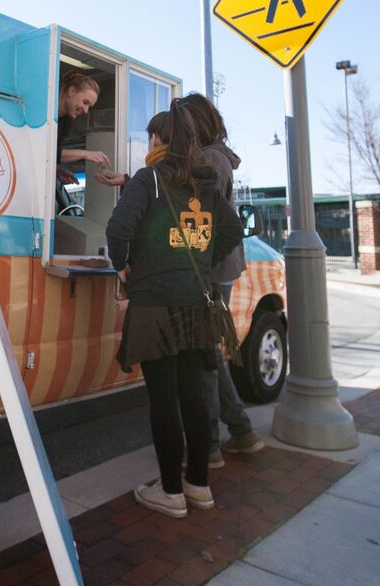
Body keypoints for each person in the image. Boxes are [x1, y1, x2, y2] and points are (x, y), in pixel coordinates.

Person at [106, 104, 243, 519]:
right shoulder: (206, 183)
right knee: (196, 398)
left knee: (164, 401)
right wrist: (199, 261)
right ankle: (198, 486)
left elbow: (117, 228)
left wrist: (123, 264)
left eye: (152, 136)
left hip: (155, 307)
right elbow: (234, 231)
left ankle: (170, 492)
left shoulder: (149, 180)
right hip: (196, 306)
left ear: (159, 141)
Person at [177, 93, 265, 467]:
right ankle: (240, 431)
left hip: (209, 270)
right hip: (219, 268)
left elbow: (192, 207)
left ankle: (210, 445)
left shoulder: (209, 160)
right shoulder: (216, 157)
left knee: (205, 357)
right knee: (209, 351)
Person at [56, 72, 125, 187]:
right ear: (71, 91)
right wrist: (85, 154)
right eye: (85, 102)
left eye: (89, 106)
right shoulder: (41, 110)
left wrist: (56, 172)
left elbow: (52, 155)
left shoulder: (65, 123)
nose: (86, 110)